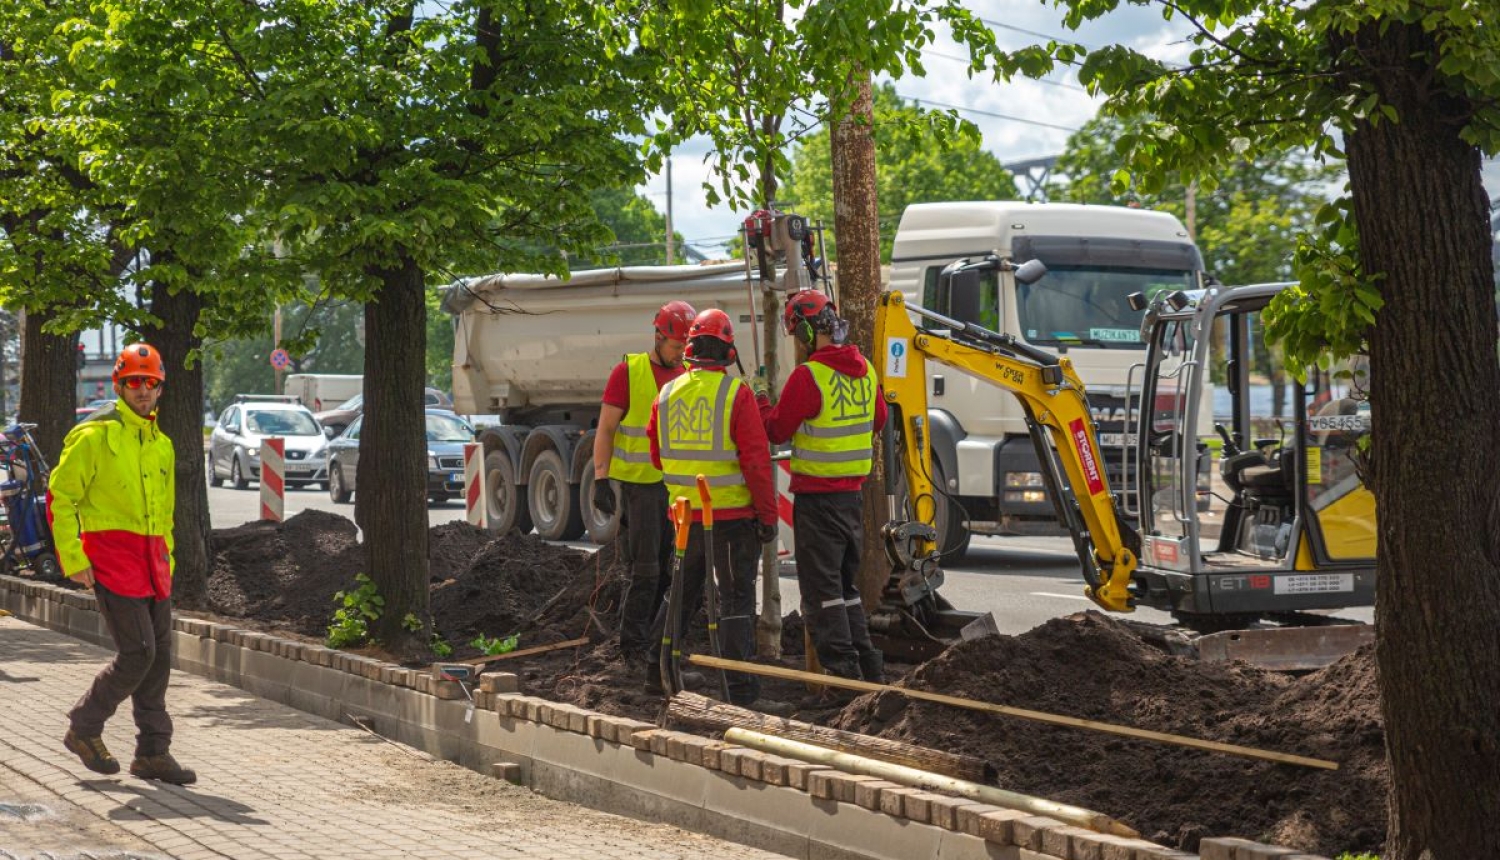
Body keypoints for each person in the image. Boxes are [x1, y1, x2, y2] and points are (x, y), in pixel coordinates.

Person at [52, 343, 195, 785]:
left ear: (160, 388)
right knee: (138, 653)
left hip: (154, 564)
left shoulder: (162, 444)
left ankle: (153, 753)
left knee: (160, 661)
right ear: (119, 385)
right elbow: (61, 497)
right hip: (112, 561)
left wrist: (167, 558)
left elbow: (164, 513)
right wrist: (73, 558)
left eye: (150, 382)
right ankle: (84, 726)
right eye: (134, 381)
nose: (142, 390)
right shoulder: (94, 435)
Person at [644, 309, 788, 713]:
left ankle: (657, 672)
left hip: (686, 518)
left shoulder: (667, 394)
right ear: (727, 353)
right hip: (731, 519)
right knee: (736, 600)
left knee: (682, 594)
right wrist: (767, 515)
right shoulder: (736, 394)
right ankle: (737, 690)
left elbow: (658, 456)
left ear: (690, 351)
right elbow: (756, 462)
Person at [760, 290, 887, 685]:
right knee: (845, 587)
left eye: (799, 335)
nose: (799, 344)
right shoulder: (865, 369)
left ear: (811, 332)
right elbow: (878, 420)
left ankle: (843, 675)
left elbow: (778, 429)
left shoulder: (809, 376)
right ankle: (868, 667)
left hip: (818, 500)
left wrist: (762, 401)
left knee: (821, 592)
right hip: (852, 500)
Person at [591, 300, 696, 666]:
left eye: (686, 346)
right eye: (676, 345)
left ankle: (661, 642)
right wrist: (600, 478)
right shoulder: (630, 371)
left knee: (675, 568)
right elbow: (606, 428)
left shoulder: (689, 375)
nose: (681, 352)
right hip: (642, 487)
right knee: (647, 568)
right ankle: (632, 643)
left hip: (678, 487)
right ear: (658, 335)